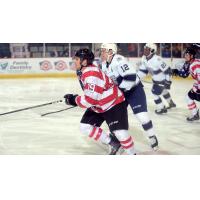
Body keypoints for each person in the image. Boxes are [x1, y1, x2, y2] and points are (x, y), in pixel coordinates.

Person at [64, 48, 136, 155]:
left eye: (77, 59)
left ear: (84, 61)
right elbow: (91, 95)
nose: (75, 61)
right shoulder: (82, 71)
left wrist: (74, 100)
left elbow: (89, 100)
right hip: (99, 104)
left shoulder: (91, 74)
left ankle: (132, 154)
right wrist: (75, 99)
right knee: (85, 126)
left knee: (121, 134)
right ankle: (113, 143)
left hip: (113, 103)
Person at [100, 43, 158, 150]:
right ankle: (116, 137)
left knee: (142, 117)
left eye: (104, 50)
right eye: (101, 50)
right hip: (122, 91)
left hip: (134, 90)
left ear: (111, 52)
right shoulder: (104, 64)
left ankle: (152, 136)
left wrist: (117, 92)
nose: (101, 53)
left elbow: (130, 77)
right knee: (114, 114)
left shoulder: (119, 60)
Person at [137, 43, 176, 114]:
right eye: (145, 48)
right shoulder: (144, 58)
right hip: (156, 80)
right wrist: (137, 77)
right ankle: (171, 103)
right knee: (164, 91)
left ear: (152, 51)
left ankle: (161, 108)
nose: (145, 50)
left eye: (147, 49)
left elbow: (168, 71)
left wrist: (168, 82)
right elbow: (143, 71)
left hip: (162, 81)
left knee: (154, 93)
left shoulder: (157, 60)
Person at [172, 47, 200, 121]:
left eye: (187, 55)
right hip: (198, 85)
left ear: (192, 56)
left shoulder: (196, 65)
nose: (185, 56)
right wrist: (177, 72)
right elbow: (184, 74)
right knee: (189, 97)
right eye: (185, 55)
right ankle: (195, 114)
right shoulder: (189, 63)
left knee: (189, 96)